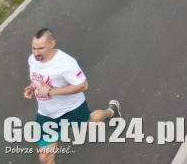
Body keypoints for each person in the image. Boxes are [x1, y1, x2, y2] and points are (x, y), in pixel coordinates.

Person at [24, 29, 121, 164]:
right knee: (45, 159)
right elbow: (39, 77)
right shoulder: (33, 59)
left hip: (71, 109)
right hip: (46, 114)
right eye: (33, 48)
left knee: (87, 124)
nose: (35, 53)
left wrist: (50, 91)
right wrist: (32, 86)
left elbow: (83, 85)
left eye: (40, 48)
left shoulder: (66, 63)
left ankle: (111, 112)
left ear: (52, 44)